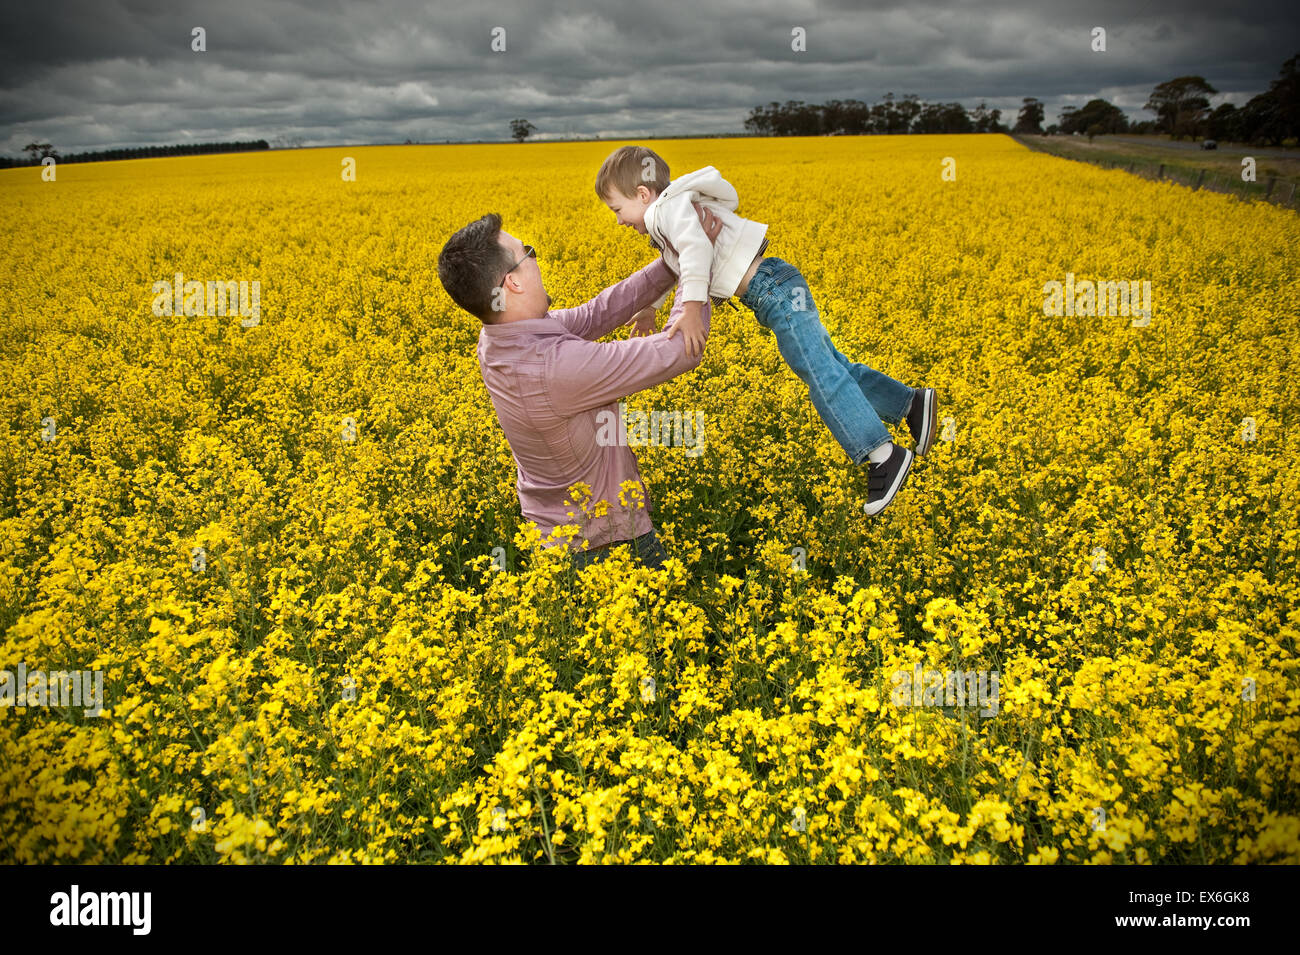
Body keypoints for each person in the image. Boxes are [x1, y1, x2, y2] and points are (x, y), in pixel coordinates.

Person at [596, 145, 938, 517]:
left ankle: (883, 455)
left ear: (643, 195)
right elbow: (680, 262)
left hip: (773, 292)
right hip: (777, 284)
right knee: (830, 365)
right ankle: (910, 404)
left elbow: (695, 249)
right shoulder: (672, 211)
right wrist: (651, 308)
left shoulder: (665, 210)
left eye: (617, 209)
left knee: (822, 376)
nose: (618, 221)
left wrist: (692, 307)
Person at [436, 204, 724, 570]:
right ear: (513, 282)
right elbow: (678, 351)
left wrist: (674, 258)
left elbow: (599, 313)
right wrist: (699, 261)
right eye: (529, 254)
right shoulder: (553, 369)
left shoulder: (499, 340)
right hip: (607, 547)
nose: (536, 261)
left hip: (558, 539)